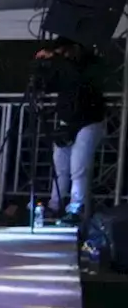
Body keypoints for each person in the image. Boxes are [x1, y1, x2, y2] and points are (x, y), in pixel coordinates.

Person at [35, 37, 107, 226]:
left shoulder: (90, 65)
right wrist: (42, 67)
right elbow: (50, 84)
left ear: (74, 48)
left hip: (89, 122)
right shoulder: (63, 68)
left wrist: (57, 59)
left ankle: (76, 208)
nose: (62, 56)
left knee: (79, 167)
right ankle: (54, 204)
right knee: (60, 167)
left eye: (63, 52)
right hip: (67, 121)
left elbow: (79, 79)